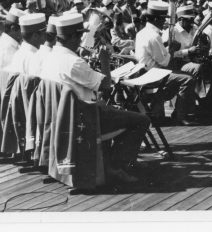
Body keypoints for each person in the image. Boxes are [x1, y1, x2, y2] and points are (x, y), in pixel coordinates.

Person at [40, 13, 150, 184]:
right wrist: (105, 61)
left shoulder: (49, 57)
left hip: (63, 118)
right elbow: (106, 85)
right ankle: (116, 166)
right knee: (141, 120)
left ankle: (111, 161)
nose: (82, 39)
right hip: (85, 117)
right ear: (74, 37)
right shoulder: (73, 62)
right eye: (80, 36)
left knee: (117, 112)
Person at [135, 0, 197, 125]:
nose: (164, 22)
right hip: (154, 74)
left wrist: (170, 50)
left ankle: (166, 110)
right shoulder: (154, 36)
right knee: (188, 79)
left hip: (147, 71)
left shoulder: (143, 32)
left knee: (184, 74)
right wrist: (172, 48)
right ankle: (179, 115)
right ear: (156, 19)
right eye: (163, 19)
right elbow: (165, 61)